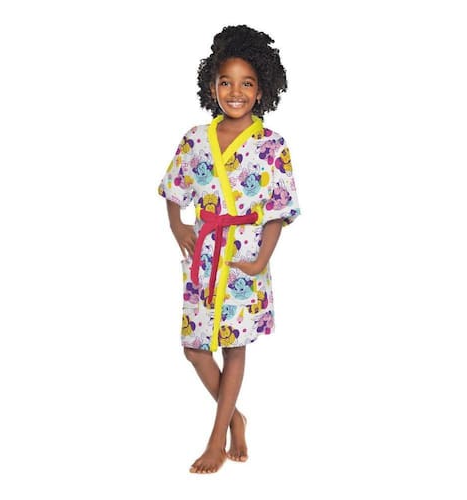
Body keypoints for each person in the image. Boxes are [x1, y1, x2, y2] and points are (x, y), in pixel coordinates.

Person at [158, 25, 300, 474]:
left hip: (244, 259)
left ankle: (216, 439)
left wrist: (260, 262)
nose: (235, 92)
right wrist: (178, 226)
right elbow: (174, 188)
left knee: (234, 347)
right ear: (212, 86)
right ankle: (235, 416)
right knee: (195, 348)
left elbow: (277, 211)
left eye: (246, 83)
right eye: (226, 82)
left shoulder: (272, 145)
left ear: (261, 90)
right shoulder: (195, 138)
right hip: (204, 258)